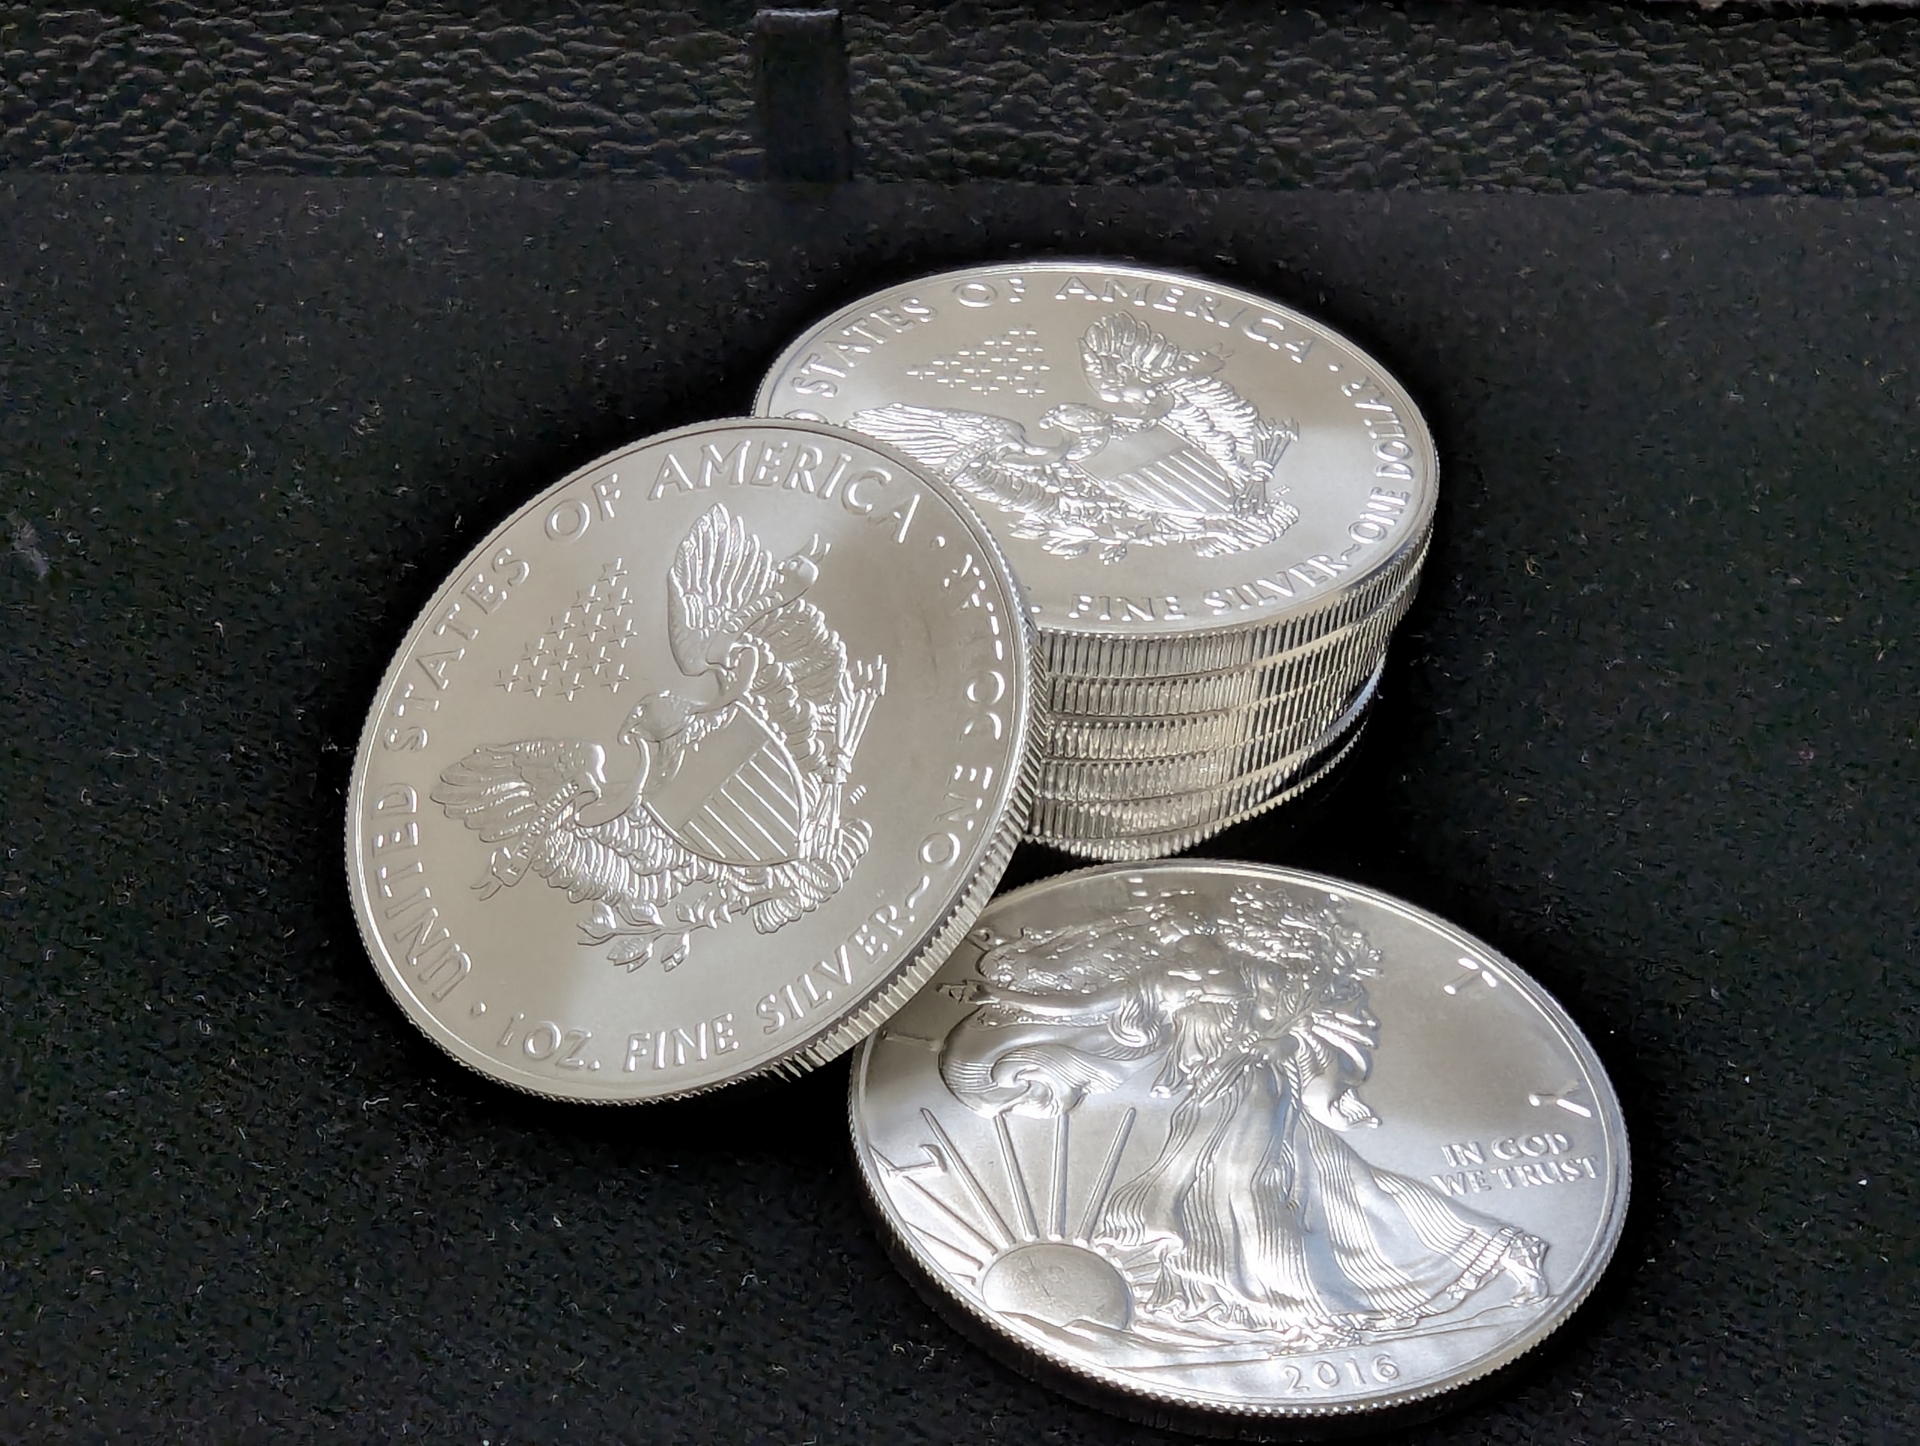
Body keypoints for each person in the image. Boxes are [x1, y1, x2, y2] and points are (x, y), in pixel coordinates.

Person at [938, 891, 1549, 1349]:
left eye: (1183, 927)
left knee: (1244, 1190)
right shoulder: (1191, 975)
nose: (1182, 935)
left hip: (1250, 1090)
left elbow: (1085, 1004)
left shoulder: (1222, 974)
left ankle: (1311, 1310)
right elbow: (1087, 1007)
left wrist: (1001, 990)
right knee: (1333, 1191)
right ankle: (1500, 1253)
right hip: (1213, 1098)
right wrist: (1001, 994)